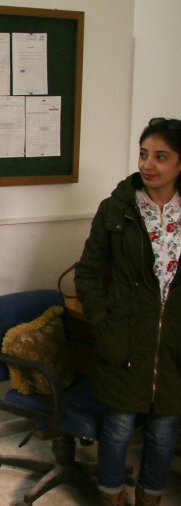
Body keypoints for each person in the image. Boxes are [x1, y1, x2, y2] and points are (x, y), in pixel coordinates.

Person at [75, 117, 181, 506]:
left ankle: (150, 498)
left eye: (160, 156)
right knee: (118, 428)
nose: (148, 164)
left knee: (164, 431)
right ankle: (111, 496)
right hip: (124, 336)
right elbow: (87, 272)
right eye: (143, 154)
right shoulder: (117, 209)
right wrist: (104, 322)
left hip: (172, 343)